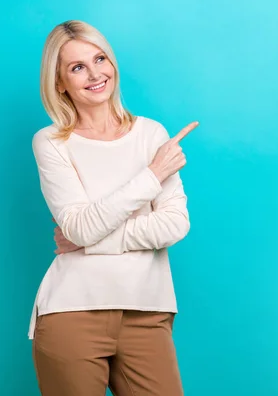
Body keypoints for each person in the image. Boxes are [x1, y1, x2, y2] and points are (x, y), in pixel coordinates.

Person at [28, 19, 198, 396]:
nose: (94, 74)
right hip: (71, 312)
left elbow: (174, 224)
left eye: (100, 59)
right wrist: (152, 176)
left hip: (147, 310)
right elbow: (79, 228)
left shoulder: (152, 134)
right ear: (60, 83)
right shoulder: (51, 142)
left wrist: (90, 241)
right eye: (77, 67)